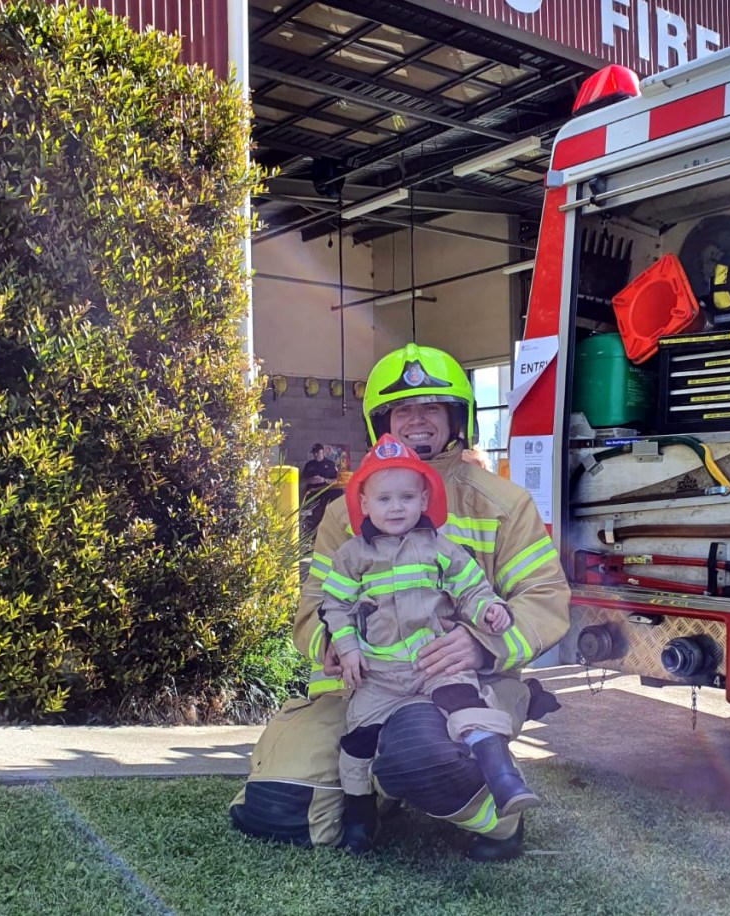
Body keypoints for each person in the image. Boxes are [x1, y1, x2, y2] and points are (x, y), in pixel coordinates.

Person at [229, 343, 570, 861]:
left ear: (457, 416)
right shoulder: (346, 512)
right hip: (362, 688)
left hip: (465, 684)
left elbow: (545, 598)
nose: (417, 419)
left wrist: (481, 645)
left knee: (419, 744)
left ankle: (497, 820)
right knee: (279, 806)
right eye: (401, 409)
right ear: (381, 424)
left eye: (432, 406)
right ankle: (387, 782)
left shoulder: (502, 504)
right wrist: (332, 646)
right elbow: (314, 606)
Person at [322, 433, 539, 854]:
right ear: (363, 504)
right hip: (379, 676)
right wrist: (346, 647)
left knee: (468, 706)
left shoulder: (440, 548)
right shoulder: (351, 556)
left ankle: (504, 780)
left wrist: (489, 613)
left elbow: (472, 590)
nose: (396, 507)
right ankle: (360, 818)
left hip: (436, 664)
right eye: (384, 499)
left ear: (424, 499)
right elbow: (335, 606)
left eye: (407, 497)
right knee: (358, 741)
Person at [301, 443, 338, 534]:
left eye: (318, 452)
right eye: (314, 453)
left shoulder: (330, 464)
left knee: (324, 518)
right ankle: (309, 537)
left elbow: (337, 481)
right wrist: (311, 480)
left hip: (326, 495)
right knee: (309, 518)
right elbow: (302, 481)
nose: (316, 454)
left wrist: (324, 480)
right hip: (312, 495)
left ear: (323, 452)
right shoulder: (309, 465)